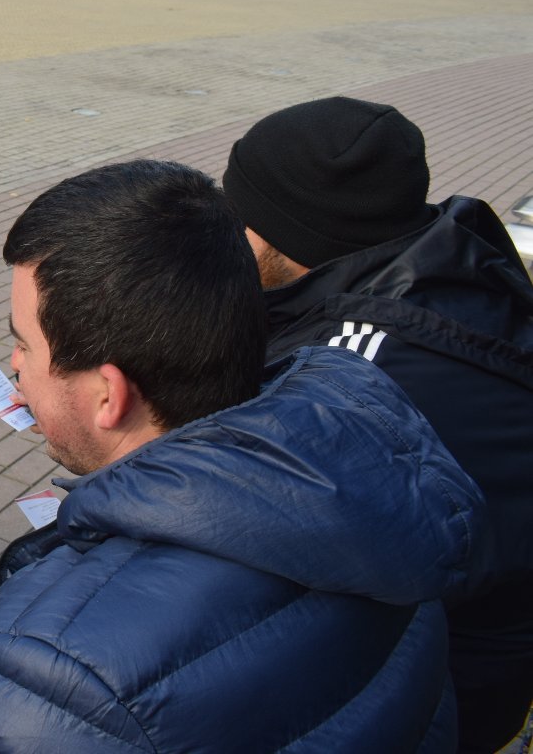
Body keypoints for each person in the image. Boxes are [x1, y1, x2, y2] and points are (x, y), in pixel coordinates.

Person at [0, 160, 484, 754]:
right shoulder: (372, 487)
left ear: (108, 395)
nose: (14, 367)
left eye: (23, 344)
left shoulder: (69, 684)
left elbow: (100, 699)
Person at [224, 97, 533, 754]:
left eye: (239, 214)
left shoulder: (355, 380)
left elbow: (251, 528)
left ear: (290, 235)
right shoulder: (447, 260)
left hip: (438, 692)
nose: (226, 229)